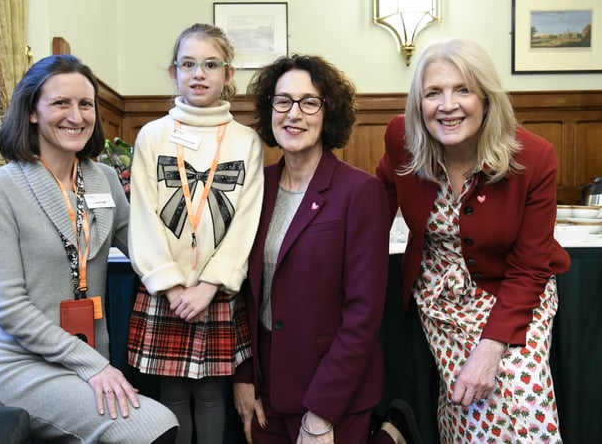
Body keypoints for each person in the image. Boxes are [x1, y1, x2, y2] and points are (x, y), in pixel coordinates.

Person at [0, 54, 178, 443]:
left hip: (87, 360)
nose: (77, 115)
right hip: (21, 365)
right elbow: (9, 308)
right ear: (32, 111)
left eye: (85, 104)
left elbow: (144, 248)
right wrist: (93, 366)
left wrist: (204, 272)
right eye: (60, 103)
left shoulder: (102, 179)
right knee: (153, 426)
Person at [376, 39, 571, 443]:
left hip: (514, 292)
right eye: (434, 92)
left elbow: (532, 267)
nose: (448, 105)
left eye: (462, 89)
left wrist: (489, 349)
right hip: (440, 297)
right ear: (419, 103)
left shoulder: (534, 157)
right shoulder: (402, 137)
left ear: (485, 96)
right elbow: (375, 202)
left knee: (523, 399)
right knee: (470, 406)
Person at [232, 54, 423, 444]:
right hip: (265, 388)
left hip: (331, 391)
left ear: (328, 112)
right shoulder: (256, 185)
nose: (293, 114)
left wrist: (322, 411)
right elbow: (239, 294)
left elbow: (363, 315)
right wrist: (244, 378)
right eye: (282, 101)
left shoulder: (360, 191)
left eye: (309, 102)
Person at [126, 23, 264, 444]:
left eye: (210, 64)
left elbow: (247, 219)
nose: (198, 74)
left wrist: (210, 284)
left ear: (228, 73)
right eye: (188, 64)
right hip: (165, 290)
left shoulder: (246, 141)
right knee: (171, 393)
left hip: (215, 290)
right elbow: (143, 216)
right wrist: (168, 284)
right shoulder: (152, 136)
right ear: (173, 73)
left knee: (209, 394)